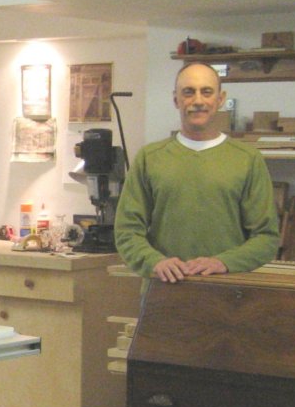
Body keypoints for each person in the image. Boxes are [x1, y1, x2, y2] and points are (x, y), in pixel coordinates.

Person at [115, 61, 279, 283]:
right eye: (189, 92)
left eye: (207, 92)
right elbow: (127, 232)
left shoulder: (247, 159)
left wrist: (224, 263)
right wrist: (155, 261)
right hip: (165, 293)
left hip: (229, 297)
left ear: (220, 99)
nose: (198, 101)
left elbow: (266, 238)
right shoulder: (149, 158)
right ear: (176, 99)